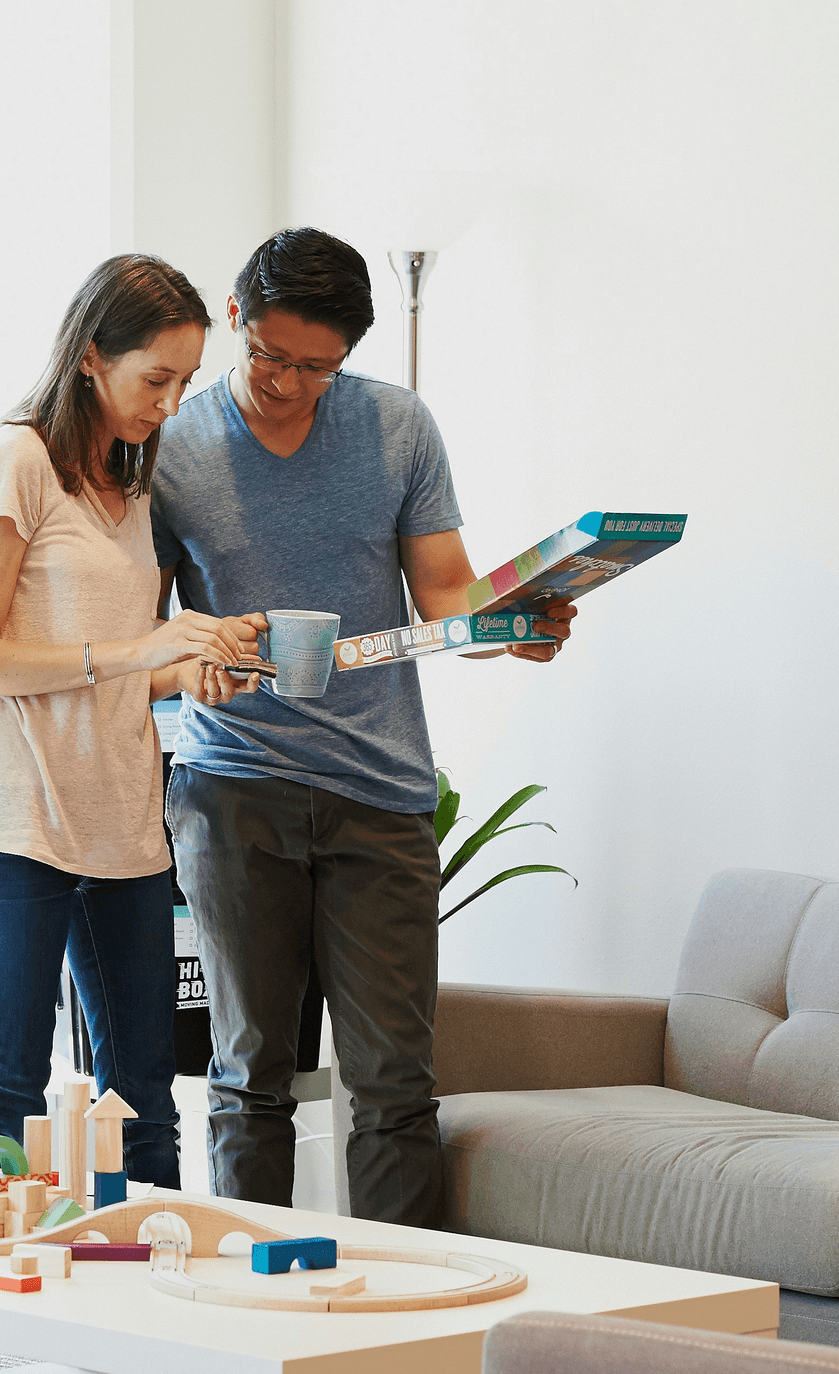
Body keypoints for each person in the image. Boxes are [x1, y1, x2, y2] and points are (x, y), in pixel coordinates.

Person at [152, 228, 577, 1225]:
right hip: (232, 787)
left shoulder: (396, 427)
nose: (287, 383)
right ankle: (249, 1294)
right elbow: (146, 635)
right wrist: (193, 665)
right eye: (269, 355)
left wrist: (512, 628)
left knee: (393, 1085)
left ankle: (405, 1311)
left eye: (317, 367)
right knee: (249, 1073)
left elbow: (445, 598)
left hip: (380, 792)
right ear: (235, 316)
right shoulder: (171, 448)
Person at [0, 253, 265, 1189]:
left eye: (186, 382)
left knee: (145, 1099)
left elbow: (121, 670)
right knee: (9, 1089)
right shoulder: (17, 463)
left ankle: (152, 1278)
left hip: (122, 826)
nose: (171, 403)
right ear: (90, 355)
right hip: (16, 825)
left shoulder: (131, 483)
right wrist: (136, 650)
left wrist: (187, 673)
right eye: (155, 379)